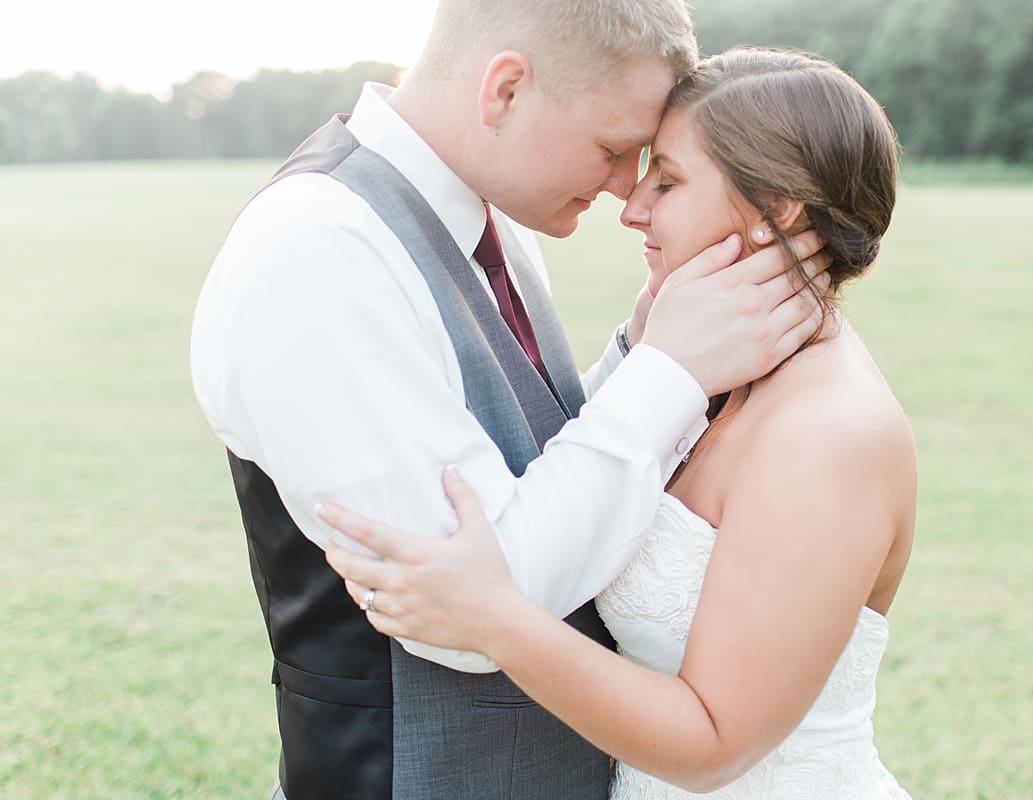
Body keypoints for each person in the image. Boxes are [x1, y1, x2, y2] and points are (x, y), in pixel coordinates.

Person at [189, 1, 832, 798]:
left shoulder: (493, 218)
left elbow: (531, 468)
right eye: (613, 148)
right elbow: (484, 606)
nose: (625, 188)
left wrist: (641, 350)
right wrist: (669, 374)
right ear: (506, 90)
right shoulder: (318, 253)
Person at [319, 48, 914, 800]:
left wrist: (492, 616)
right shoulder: (719, 371)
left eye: (666, 179)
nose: (632, 206)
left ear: (779, 209)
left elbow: (712, 743)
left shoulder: (828, 437)